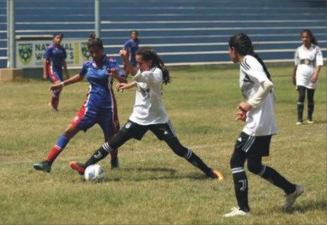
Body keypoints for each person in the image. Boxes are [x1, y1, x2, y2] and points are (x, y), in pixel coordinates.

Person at [69, 47, 224, 181]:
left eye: (140, 62)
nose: (138, 65)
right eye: (137, 62)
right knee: (113, 142)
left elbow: (143, 77)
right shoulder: (145, 70)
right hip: (138, 118)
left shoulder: (157, 73)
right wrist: (128, 85)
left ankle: (208, 171)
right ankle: (86, 166)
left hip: (158, 119)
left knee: (178, 149)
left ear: (149, 62)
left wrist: (126, 61)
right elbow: (139, 80)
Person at [224, 33, 303, 217]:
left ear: (234, 50)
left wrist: (250, 105)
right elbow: (267, 92)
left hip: (258, 125)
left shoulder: (247, 61)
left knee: (236, 161)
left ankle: (243, 209)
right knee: (254, 166)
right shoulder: (252, 61)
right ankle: (291, 189)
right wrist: (249, 110)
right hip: (262, 122)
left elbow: (267, 84)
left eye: (229, 50)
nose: (228, 54)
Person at [33, 34, 127, 173]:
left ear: (102, 50)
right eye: (91, 52)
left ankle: (114, 161)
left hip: (108, 108)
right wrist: (62, 84)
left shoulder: (111, 63)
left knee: (110, 139)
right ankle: (48, 162)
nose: (94, 54)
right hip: (90, 107)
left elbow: (123, 81)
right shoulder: (88, 64)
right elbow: (79, 76)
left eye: (97, 51)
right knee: (68, 131)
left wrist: (117, 76)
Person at [292, 29, 323, 125]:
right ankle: (299, 119)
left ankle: (309, 118)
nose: (305, 39)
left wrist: (316, 74)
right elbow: (296, 64)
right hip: (300, 74)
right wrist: (293, 76)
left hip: (311, 73)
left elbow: (319, 63)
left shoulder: (316, 49)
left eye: (306, 37)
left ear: (310, 38)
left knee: (310, 97)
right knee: (301, 96)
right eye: (303, 37)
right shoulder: (298, 50)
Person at [43, 32, 70, 112]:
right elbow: (45, 60)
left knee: (59, 87)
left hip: (59, 71)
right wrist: (45, 72)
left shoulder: (62, 50)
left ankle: (54, 106)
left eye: (60, 38)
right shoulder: (50, 48)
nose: (59, 40)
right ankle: (52, 103)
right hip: (52, 70)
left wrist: (66, 72)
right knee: (58, 84)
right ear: (54, 38)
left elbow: (63, 62)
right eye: (57, 38)